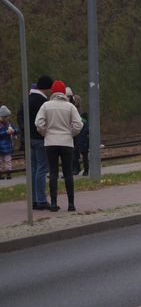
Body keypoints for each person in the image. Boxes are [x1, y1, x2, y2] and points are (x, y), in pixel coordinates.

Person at [34, 80, 83, 212]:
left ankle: (54, 203)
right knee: (68, 173)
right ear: (63, 92)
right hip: (66, 143)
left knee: (53, 173)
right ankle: (71, 204)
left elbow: (39, 123)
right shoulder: (70, 107)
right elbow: (79, 124)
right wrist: (70, 133)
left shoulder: (46, 106)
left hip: (50, 143)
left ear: (53, 91)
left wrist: (45, 133)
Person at [18, 75, 53, 210]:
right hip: (39, 138)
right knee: (42, 169)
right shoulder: (42, 101)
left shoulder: (27, 99)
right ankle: (41, 200)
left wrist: (25, 133)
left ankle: (33, 200)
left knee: (32, 169)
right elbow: (44, 121)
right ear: (46, 87)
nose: (50, 91)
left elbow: (20, 116)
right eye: (50, 88)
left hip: (28, 139)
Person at [0, 106, 19, 180]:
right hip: (2, 145)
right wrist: (6, 132)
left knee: (8, 160)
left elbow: (16, 129)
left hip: (7, 145)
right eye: (6, 117)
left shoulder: (9, 124)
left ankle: (8, 172)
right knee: (1, 160)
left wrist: (13, 131)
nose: (8, 118)